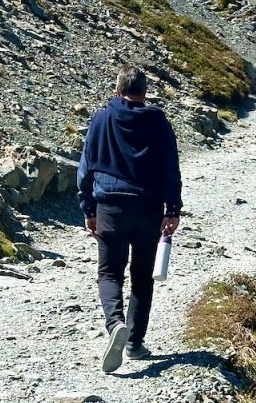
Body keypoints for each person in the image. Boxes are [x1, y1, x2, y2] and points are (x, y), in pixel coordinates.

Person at [76, 65, 182, 373]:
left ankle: (115, 325)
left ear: (117, 90)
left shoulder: (100, 118)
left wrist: (89, 209)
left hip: (110, 207)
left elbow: (86, 167)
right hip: (148, 208)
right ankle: (135, 343)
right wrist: (172, 210)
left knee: (109, 273)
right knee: (142, 276)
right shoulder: (159, 122)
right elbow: (170, 169)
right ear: (145, 92)